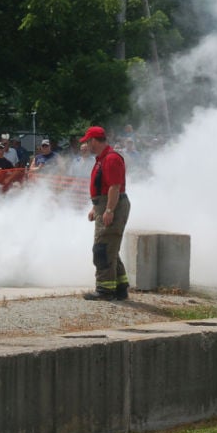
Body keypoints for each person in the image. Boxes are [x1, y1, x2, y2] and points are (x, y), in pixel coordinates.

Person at [80, 126, 130, 301]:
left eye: (88, 141)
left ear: (94, 140)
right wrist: (96, 208)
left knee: (102, 249)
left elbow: (114, 187)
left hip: (112, 206)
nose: (86, 145)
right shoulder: (102, 158)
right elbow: (102, 187)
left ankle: (104, 290)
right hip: (104, 205)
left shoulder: (111, 159)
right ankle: (120, 287)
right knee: (110, 248)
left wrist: (109, 210)